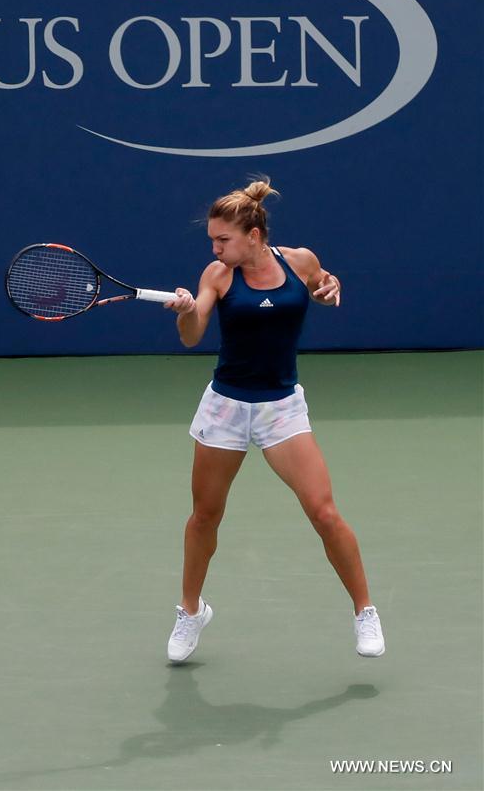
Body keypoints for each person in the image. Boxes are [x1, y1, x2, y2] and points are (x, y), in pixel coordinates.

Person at [164, 179, 385, 663]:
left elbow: (324, 284)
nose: (216, 247)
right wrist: (184, 311)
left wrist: (330, 289)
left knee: (324, 512)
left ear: (255, 235)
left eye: (223, 239)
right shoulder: (218, 275)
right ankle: (190, 610)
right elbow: (192, 333)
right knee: (205, 515)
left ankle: (364, 610)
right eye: (213, 241)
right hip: (226, 408)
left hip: (281, 408)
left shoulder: (299, 260)